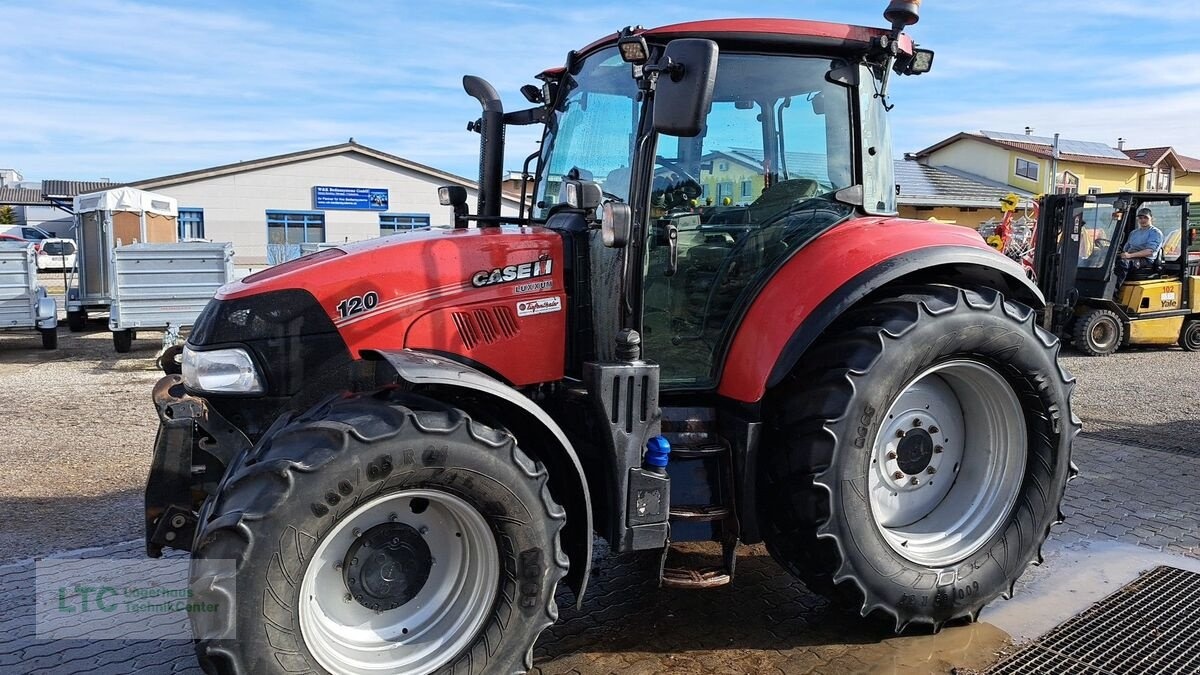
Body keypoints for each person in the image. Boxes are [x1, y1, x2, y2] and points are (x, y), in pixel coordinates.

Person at [1114, 208, 1164, 289]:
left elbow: (1149, 251)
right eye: (1140, 218)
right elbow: (1126, 248)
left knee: (1123, 263)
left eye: (1145, 218)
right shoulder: (1134, 233)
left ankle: (1114, 291)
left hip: (1145, 260)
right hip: (1131, 257)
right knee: (1109, 261)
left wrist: (1129, 256)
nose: (1142, 220)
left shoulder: (1155, 232)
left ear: (1151, 218)